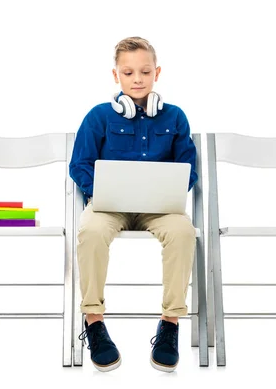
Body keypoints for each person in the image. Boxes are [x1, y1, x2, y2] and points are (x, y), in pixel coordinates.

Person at [69, 36, 198, 373]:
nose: (137, 79)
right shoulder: (98, 117)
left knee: (183, 231)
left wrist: (169, 188)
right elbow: (79, 165)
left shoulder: (175, 117)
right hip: (110, 207)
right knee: (91, 231)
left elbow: (189, 168)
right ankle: (94, 321)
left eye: (144, 71)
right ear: (116, 76)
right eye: (128, 72)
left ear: (157, 72)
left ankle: (170, 324)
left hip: (160, 209)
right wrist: (102, 190)